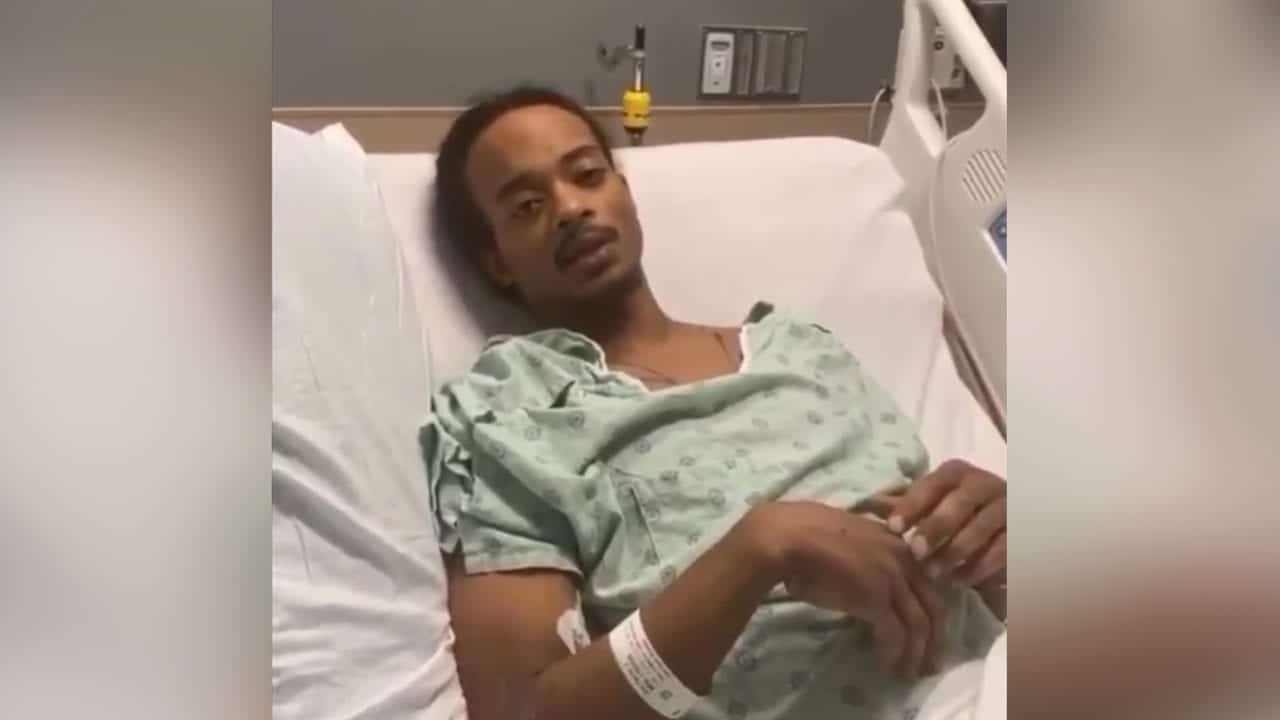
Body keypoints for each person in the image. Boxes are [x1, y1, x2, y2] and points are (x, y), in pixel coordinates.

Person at [421, 85, 1007, 720]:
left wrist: (990, 536)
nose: (570, 208)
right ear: (497, 262)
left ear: (624, 192)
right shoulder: (509, 415)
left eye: (587, 175)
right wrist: (760, 551)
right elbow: (525, 710)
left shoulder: (801, 348)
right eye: (528, 206)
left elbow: (952, 555)